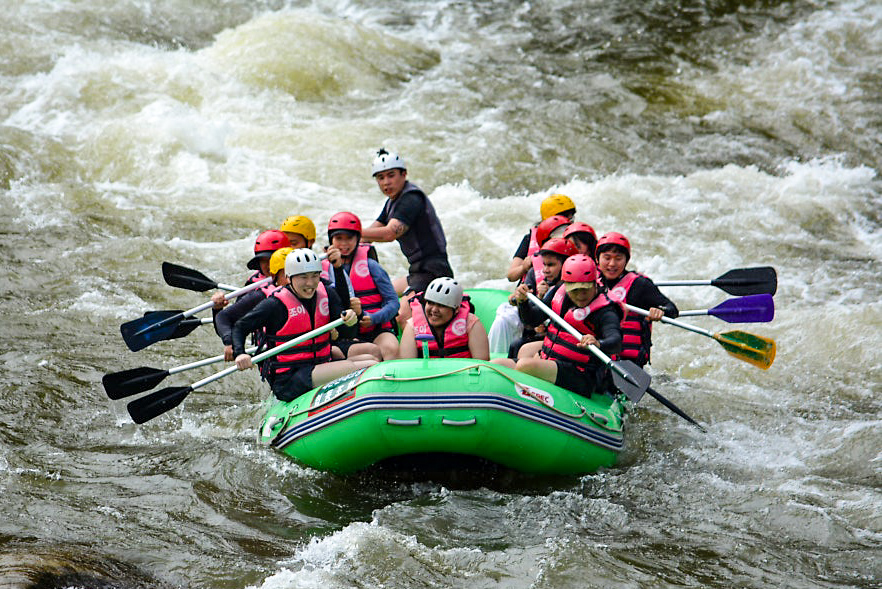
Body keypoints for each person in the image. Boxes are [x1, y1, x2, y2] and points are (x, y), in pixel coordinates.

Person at [231, 249, 377, 402]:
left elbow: (348, 335)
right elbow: (240, 327)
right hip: (289, 378)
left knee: (371, 358)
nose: (310, 283)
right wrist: (239, 353)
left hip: (320, 364)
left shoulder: (327, 294)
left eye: (315, 276)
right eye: (303, 277)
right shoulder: (274, 305)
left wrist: (351, 322)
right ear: (289, 278)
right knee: (362, 367)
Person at [501, 254, 623, 398]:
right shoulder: (559, 292)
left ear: (594, 283)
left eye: (585, 289)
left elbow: (616, 341)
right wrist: (523, 303)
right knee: (496, 364)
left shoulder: (605, 311)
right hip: (551, 361)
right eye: (575, 290)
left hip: (582, 375)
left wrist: (598, 343)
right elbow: (532, 320)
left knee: (524, 366)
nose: (581, 295)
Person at [360, 148, 453, 296]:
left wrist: (351, 230)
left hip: (433, 272)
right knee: (380, 294)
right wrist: (342, 242)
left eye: (391, 176)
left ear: (404, 174)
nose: (386, 182)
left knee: (402, 315)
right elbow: (366, 236)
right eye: (380, 178)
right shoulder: (392, 203)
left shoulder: (410, 199)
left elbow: (389, 233)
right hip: (417, 271)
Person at [321, 212, 399, 361]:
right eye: (339, 238)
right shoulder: (322, 270)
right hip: (344, 334)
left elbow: (393, 302)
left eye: (349, 238)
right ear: (331, 240)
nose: (344, 244)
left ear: (358, 239)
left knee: (391, 348)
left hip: (376, 329)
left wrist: (374, 318)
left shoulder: (371, 266)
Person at [595, 232, 679, 367]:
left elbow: (672, 309)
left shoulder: (639, 285)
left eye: (618, 258)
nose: (612, 264)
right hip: (596, 354)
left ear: (626, 260)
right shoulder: (589, 281)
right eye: (607, 258)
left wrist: (660, 311)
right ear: (597, 259)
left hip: (628, 363)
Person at [214, 246, 292, 362]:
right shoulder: (261, 296)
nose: (295, 279)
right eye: (287, 274)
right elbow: (225, 318)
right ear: (274, 275)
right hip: (278, 362)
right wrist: (231, 343)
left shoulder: (317, 290)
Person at [505, 237, 577, 360]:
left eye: (551, 265)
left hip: (572, 346)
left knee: (521, 348)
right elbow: (531, 320)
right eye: (544, 264)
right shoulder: (556, 288)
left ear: (566, 264)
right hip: (555, 338)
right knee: (516, 345)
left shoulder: (570, 288)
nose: (545, 270)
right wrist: (523, 302)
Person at [399, 277, 490, 361]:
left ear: (456, 309)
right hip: (428, 375)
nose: (434, 310)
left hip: (461, 375)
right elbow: (406, 365)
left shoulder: (471, 323)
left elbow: (482, 364)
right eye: (430, 303)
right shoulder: (412, 326)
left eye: (442, 305)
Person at [211, 229, 291, 312]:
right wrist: (217, 309)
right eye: (263, 260)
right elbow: (231, 322)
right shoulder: (253, 287)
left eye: (272, 259)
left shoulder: (300, 278)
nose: (269, 265)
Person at [506, 193, 576, 283]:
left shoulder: (574, 238)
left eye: (571, 218)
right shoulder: (529, 239)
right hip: (530, 289)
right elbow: (511, 276)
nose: (568, 222)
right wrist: (524, 267)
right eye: (565, 217)